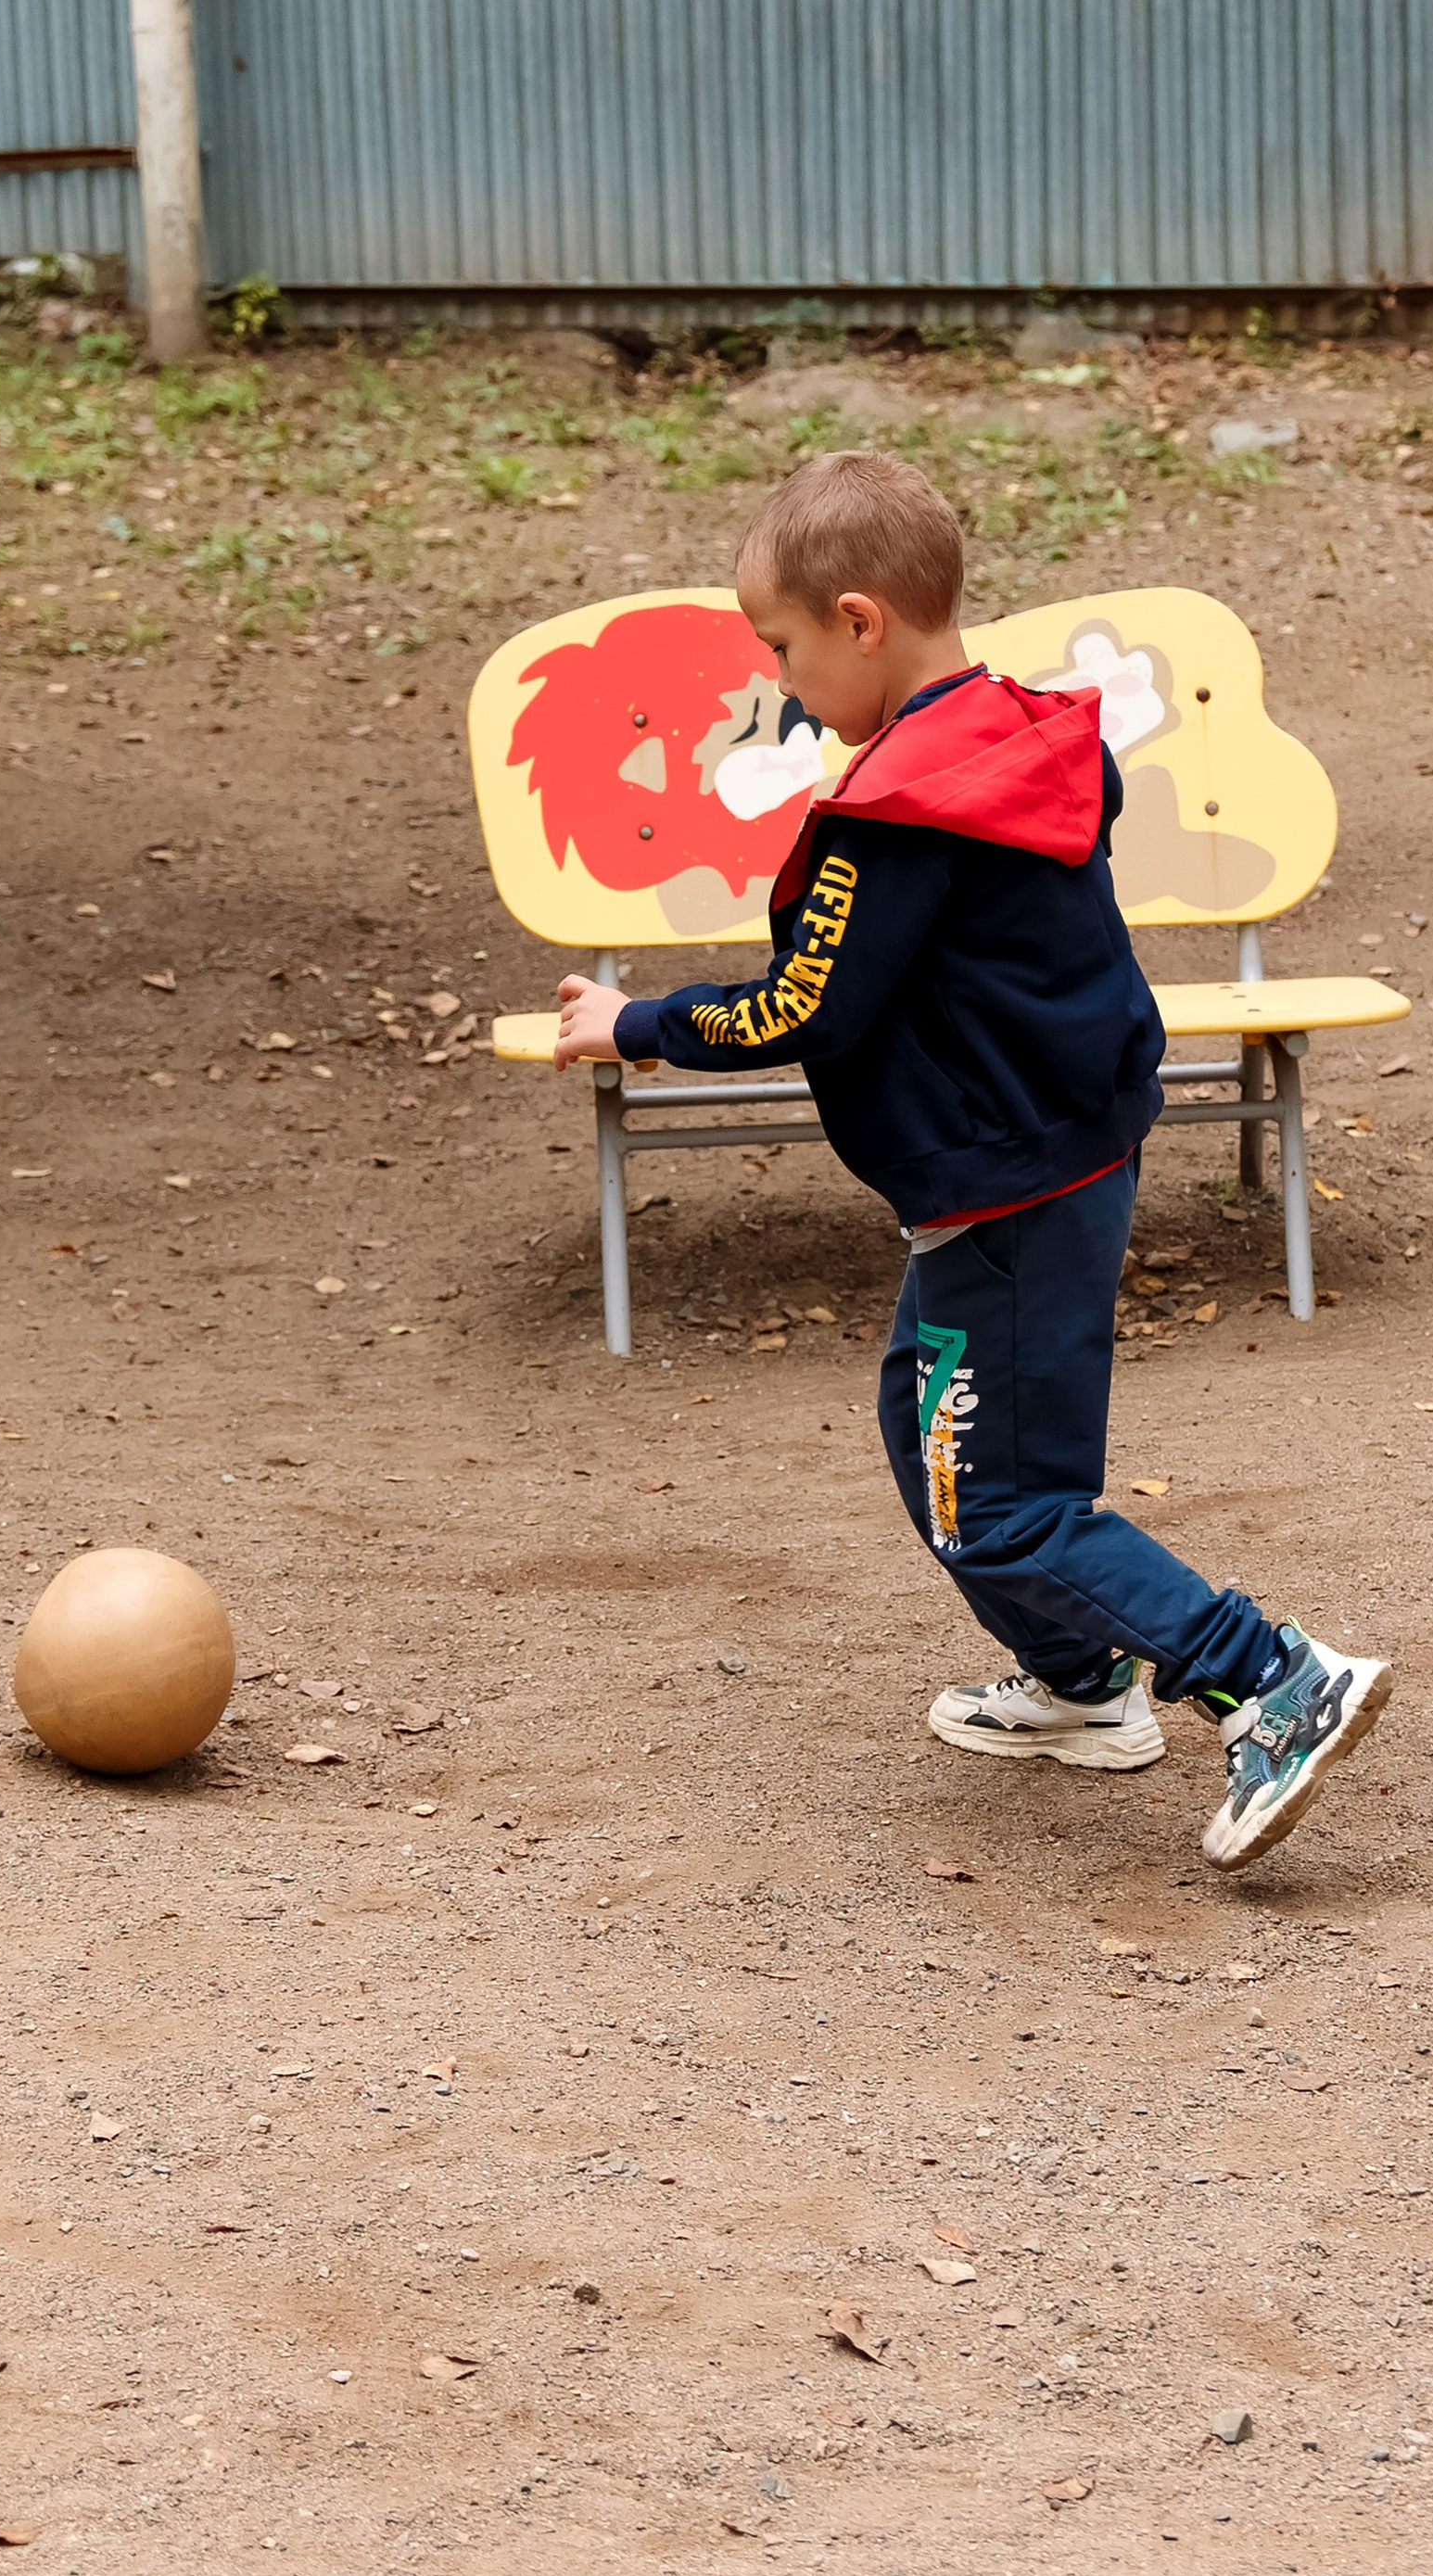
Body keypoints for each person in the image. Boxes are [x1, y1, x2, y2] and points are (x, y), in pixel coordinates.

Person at [552, 450, 1389, 1872]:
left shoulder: (897, 817)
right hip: (1062, 1151)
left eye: (784, 650)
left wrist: (631, 1023)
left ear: (862, 621)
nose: (787, 682)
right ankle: (1082, 1689)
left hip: (1003, 1188)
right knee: (927, 1435)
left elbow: (802, 1001)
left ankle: (1269, 1678)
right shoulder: (1021, 739)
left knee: (996, 1502)